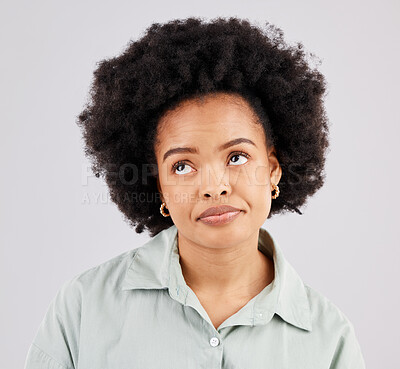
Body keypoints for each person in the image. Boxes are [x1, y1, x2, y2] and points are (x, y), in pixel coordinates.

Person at [24, 16, 366, 368]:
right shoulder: (83, 309)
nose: (214, 186)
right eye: (182, 166)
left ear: (273, 170)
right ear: (158, 186)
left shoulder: (329, 339)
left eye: (237, 156)